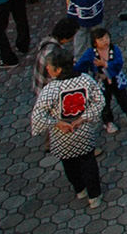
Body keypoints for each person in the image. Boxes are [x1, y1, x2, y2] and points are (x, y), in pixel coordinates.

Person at [30, 50, 106, 209]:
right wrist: (83, 118)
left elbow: (38, 116)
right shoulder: (86, 80)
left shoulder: (50, 90)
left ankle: (80, 189)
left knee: (69, 165)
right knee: (89, 163)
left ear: (58, 70)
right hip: (83, 131)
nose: (47, 70)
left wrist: (57, 123)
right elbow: (99, 101)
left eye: (50, 67)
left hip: (62, 136)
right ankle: (94, 196)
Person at [75, 27, 127, 133]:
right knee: (104, 103)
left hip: (116, 80)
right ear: (95, 42)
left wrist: (106, 64)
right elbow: (81, 65)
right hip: (101, 82)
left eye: (107, 38)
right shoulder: (90, 53)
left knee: (124, 100)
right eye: (101, 39)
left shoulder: (114, 49)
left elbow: (119, 63)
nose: (105, 41)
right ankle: (108, 122)